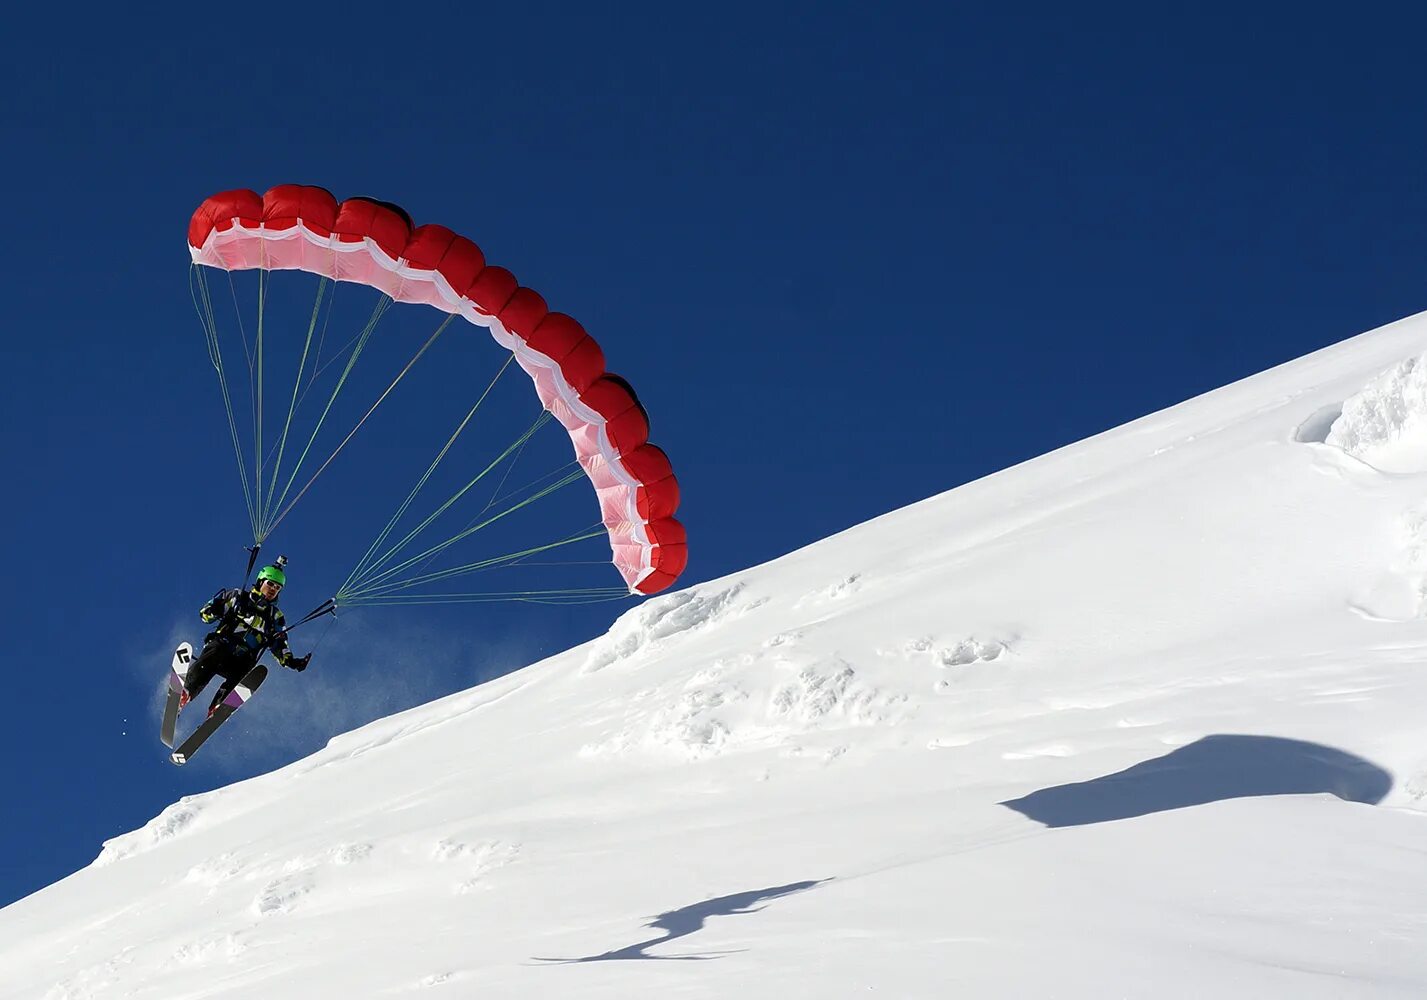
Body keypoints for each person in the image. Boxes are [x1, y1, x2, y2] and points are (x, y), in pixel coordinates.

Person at [183, 559, 311, 715]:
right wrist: (214, 609)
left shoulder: (275, 616)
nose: (273, 589)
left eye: (277, 588)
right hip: (221, 647)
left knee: (246, 671)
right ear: (260, 581)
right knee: (214, 655)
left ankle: (219, 707)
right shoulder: (238, 596)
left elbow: (280, 643)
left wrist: (291, 661)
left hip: (241, 660)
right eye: (270, 584)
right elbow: (205, 614)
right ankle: (185, 693)